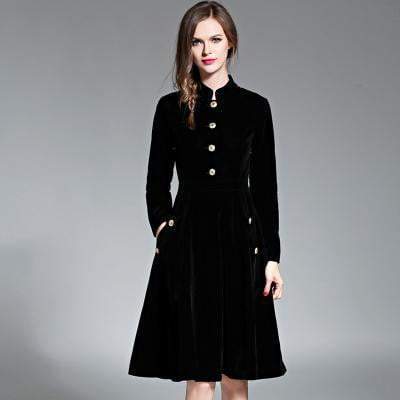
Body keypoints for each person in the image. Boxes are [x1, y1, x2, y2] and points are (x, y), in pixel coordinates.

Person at [128, 1, 287, 398]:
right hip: (189, 245)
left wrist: (271, 257)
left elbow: (265, 189)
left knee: (236, 372)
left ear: (231, 42)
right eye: (196, 42)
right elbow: (155, 184)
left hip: (242, 245)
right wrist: (165, 233)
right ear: (187, 47)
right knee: (198, 373)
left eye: (215, 39)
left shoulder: (255, 107)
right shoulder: (170, 108)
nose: (206, 50)